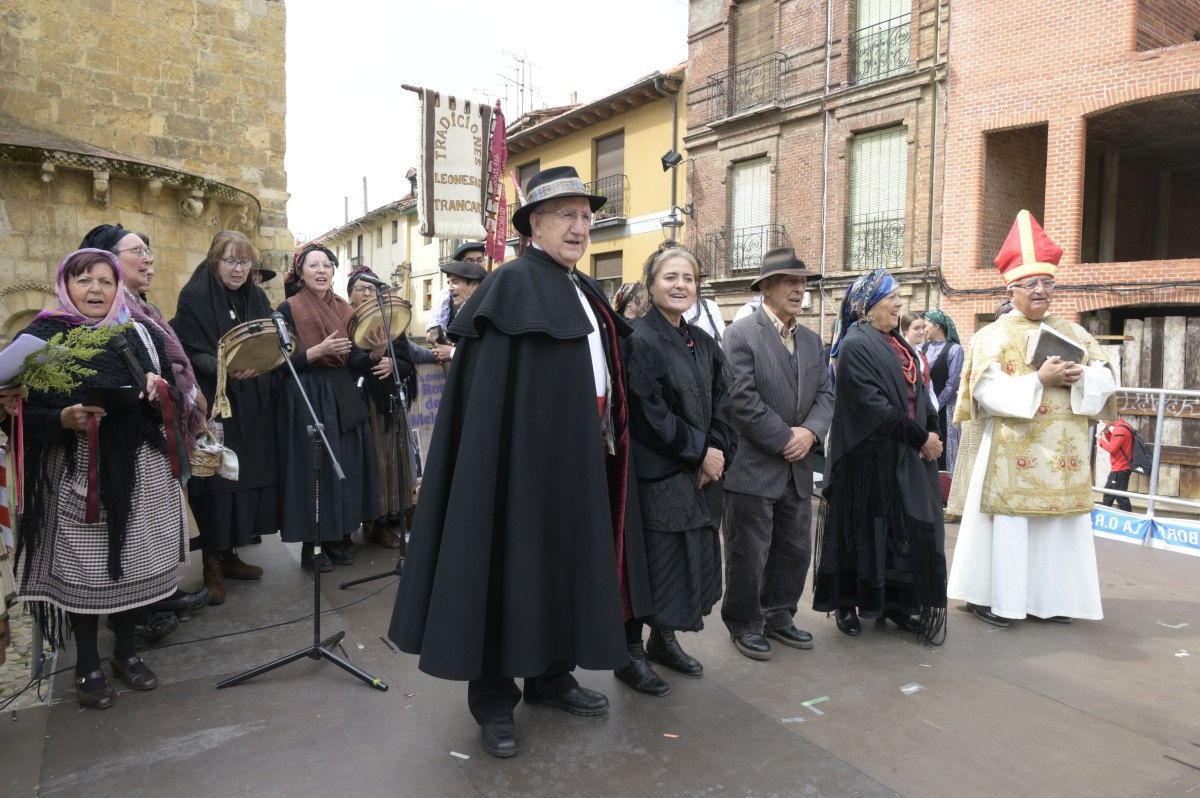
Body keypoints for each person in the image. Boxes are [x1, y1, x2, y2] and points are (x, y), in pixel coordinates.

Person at [389, 165, 651, 759]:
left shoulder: (582, 290)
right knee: (504, 569)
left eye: (586, 216)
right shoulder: (508, 285)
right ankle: (494, 703)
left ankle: (551, 677)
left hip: (578, 462)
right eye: (567, 216)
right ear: (535, 224)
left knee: (559, 569)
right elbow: (487, 398)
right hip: (516, 467)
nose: (580, 227)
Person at [15, 248, 188, 709]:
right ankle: (88, 663)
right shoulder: (42, 336)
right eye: (84, 280)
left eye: (105, 282)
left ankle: (126, 654)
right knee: (84, 568)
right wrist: (60, 418)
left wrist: (159, 392)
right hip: (75, 468)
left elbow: (172, 387)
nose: (96, 290)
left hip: (138, 465)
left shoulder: (139, 333)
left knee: (131, 562)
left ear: (118, 288)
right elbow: (17, 411)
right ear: (65, 285)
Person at [947, 210, 1116, 627]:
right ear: (1012, 288)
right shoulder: (993, 335)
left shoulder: (1074, 333)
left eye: (1047, 283)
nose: (1041, 290)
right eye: (1031, 284)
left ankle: (1051, 599)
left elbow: (1107, 380)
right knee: (1010, 528)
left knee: (1056, 532)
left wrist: (1082, 377)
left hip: (1064, 456)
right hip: (1012, 452)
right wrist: (1038, 379)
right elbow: (984, 393)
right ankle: (993, 598)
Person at [616, 246, 736, 697]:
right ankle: (630, 655)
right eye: (670, 276)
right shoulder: (638, 340)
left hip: (702, 476)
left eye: (688, 277)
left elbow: (725, 401)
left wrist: (718, 449)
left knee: (685, 566)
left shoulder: (704, 342)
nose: (680, 285)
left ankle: (663, 640)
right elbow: (650, 415)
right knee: (649, 567)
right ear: (651, 284)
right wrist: (697, 453)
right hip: (660, 475)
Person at [79, 224, 210, 626]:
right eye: (137, 251)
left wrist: (188, 392)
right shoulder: (112, 312)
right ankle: (138, 611)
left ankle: (156, 596)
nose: (149, 258)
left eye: (149, 250)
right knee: (133, 525)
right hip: (126, 435)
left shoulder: (142, 305)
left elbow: (172, 361)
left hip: (158, 425)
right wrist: (182, 391)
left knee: (154, 522)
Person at [812, 270, 948, 644]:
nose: (899, 305)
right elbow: (873, 405)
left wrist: (933, 429)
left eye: (899, 298)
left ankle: (897, 604)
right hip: (866, 457)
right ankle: (847, 603)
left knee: (899, 530)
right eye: (892, 298)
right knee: (860, 528)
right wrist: (921, 437)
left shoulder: (900, 344)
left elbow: (923, 392)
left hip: (904, 454)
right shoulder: (856, 344)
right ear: (867, 307)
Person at [721, 247, 834, 661]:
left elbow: (826, 393)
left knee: (794, 548)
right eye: (790, 282)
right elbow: (741, 400)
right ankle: (745, 623)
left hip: (798, 467)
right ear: (766, 287)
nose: (799, 290)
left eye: (803, 283)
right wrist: (785, 438)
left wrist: (809, 433)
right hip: (752, 468)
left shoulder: (809, 340)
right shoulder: (741, 334)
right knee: (748, 552)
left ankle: (780, 615)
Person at [171, 231, 278, 602]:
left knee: (242, 480)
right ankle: (212, 565)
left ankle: (232, 553)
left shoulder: (257, 295)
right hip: (213, 399)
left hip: (250, 399)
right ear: (215, 260)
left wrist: (261, 362)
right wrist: (224, 366)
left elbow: (270, 337)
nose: (238, 269)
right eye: (230, 261)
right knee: (215, 482)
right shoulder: (195, 296)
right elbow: (184, 349)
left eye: (245, 262)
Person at [276, 243, 386, 571]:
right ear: (300, 272)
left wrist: (376, 354)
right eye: (314, 265)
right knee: (316, 468)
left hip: (343, 391)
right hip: (310, 392)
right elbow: (278, 360)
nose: (322, 271)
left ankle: (338, 536)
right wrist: (312, 353)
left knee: (347, 465)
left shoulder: (343, 308)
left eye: (327, 265)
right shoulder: (288, 308)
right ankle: (313, 546)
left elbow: (352, 358)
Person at [346, 266, 436, 548]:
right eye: (361, 288)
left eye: (372, 288)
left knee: (397, 459)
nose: (367, 292)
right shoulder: (346, 321)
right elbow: (348, 363)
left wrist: (392, 362)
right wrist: (374, 356)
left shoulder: (391, 323)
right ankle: (376, 523)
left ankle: (397, 514)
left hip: (393, 402)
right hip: (364, 404)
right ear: (350, 296)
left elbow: (408, 360)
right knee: (376, 463)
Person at [921, 309, 964, 473]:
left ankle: (945, 493)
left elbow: (952, 384)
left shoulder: (955, 350)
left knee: (945, 452)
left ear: (937, 326)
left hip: (944, 410)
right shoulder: (923, 348)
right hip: (926, 410)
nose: (924, 330)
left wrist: (934, 406)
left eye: (926, 325)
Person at [426, 241, 485, 344]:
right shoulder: (448, 293)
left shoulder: (492, 287)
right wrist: (447, 346)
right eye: (470, 261)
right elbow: (433, 330)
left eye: (480, 260)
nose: (476, 264)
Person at [431, 257, 486, 364]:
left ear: (474, 284)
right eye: (449, 283)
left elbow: (487, 354)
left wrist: (452, 352)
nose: (450, 288)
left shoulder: (481, 314)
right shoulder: (465, 309)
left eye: (455, 282)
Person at [901, 310, 938, 412]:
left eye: (923, 327)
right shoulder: (899, 353)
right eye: (916, 328)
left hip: (923, 408)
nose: (922, 332)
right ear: (905, 330)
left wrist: (933, 408)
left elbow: (929, 386)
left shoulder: (921, 354)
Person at [1097, 418, 1135, 511]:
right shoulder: (1123, 426)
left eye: (1104, 421)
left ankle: (1129, 518)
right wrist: (1107, 432)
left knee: (1121, 497)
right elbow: (1116, 443)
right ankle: (1104, 513)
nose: (1104, 423)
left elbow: (1112, 448)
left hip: (1120, 468)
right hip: (1118, 467)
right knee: (1108, 493)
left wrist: (1100, 440)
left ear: (1110, 419)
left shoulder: (1120, 430)